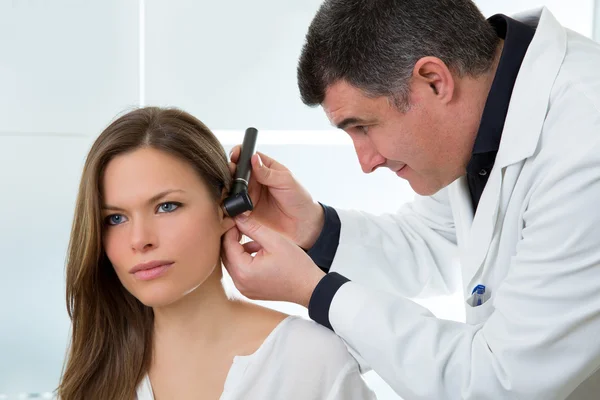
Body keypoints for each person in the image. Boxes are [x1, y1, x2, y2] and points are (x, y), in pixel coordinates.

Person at [221, 0, 600, 398]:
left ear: (434, 80)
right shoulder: (491, 99)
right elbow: (434, 238)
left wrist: (318, 293)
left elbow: (499, 383)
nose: (365, 162)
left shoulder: (584, 150)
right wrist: (313, 229)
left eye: (364, 126)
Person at [56, 107, 376, 400]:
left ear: (225, 208)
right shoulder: (97, 365)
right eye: (116, 218)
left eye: (167, 206)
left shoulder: (309, 359)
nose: (139, 240)